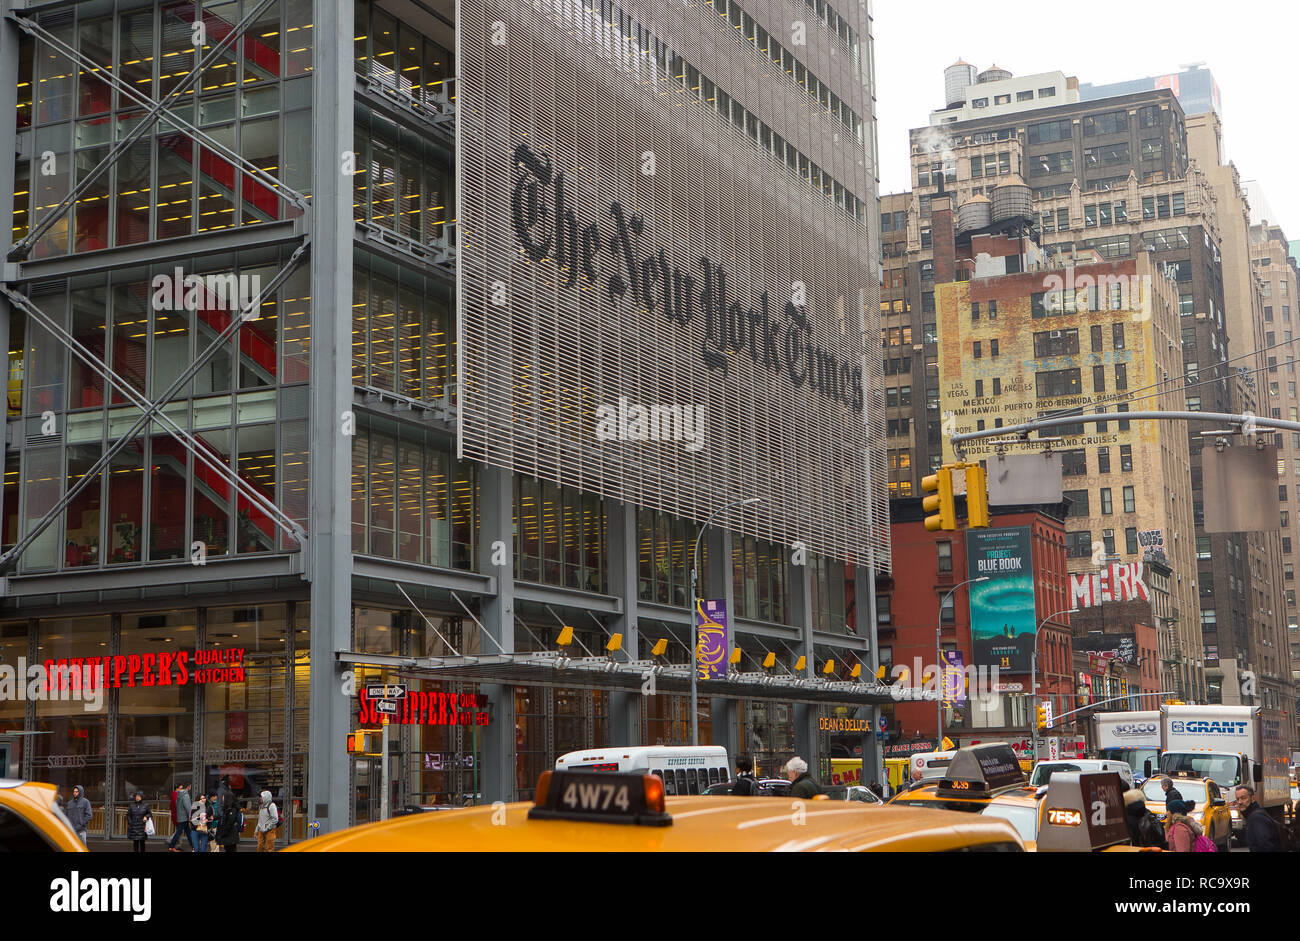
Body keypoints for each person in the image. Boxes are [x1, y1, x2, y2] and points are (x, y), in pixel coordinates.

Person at [1235, 784, 1282, 852]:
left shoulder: (1256, 818)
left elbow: (1265, 845)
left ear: (1253, 798)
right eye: (1237, 799)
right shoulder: (1254, 815)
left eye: (1243, 798)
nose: (1239, 802)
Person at [169, 783, 192, 852]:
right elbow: (187, 807)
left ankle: (194, 846)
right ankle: (171, 845)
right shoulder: (185, 795)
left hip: (180, 816)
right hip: (184, 816)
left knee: (187, 832)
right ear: (188, 787)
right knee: (180, 832)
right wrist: (190, 815)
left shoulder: (178, 795)